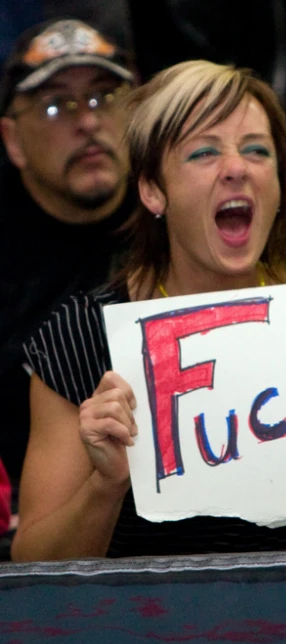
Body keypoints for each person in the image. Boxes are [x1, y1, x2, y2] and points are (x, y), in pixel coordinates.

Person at [11, 59, 286, 561]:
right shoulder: (82, 336)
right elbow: (34, 569)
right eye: (204, 152)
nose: (236, 168)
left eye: (256, 151)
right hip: (133, 629)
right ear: (153, 190)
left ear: (280, 185)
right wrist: (106, 484)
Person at [0, 18, 136, 489]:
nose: (89, 121)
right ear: (12, 140)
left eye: (105, 97)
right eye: (57, 105)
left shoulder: (179, 215)